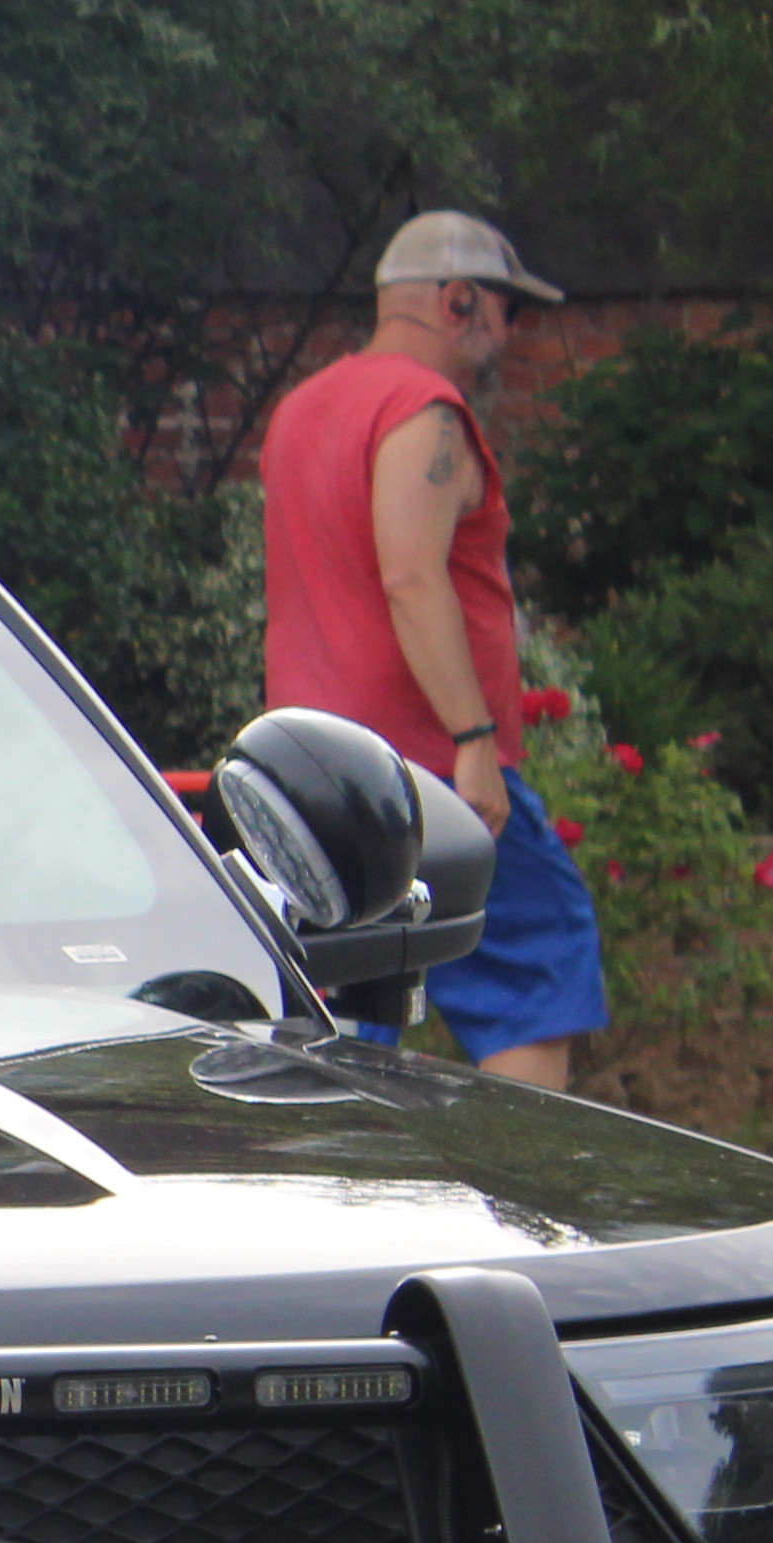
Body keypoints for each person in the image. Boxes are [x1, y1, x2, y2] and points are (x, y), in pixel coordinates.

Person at [258, 209, 604, 1090]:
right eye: (507, 312)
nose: (510, 337)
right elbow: (411, 577)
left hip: (311, 776)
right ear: (458, 302)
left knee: (354, 997)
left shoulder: (300, 411)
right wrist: (476, 740)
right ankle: (515, 1197)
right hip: (422, 772)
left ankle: (350, 1193)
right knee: (539, 954)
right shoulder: (426, 411)